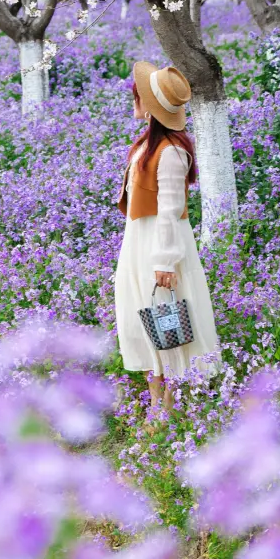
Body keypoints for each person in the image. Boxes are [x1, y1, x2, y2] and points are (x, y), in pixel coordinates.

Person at [114, 61, 220, 414]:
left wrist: (164, 262)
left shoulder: (171, 151)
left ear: (149, 103)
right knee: (145, 324)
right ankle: (156, 403)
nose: (135, 99)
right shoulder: (146, 144)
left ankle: (168, 407)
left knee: (166, 325)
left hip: (160, 250)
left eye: (138, 95)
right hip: (138, 243)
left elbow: (170, 211)